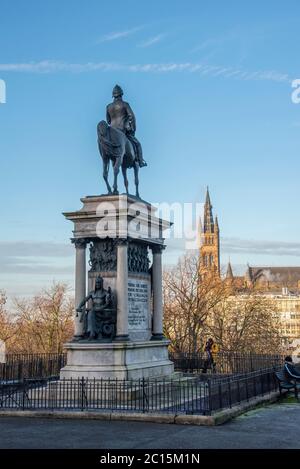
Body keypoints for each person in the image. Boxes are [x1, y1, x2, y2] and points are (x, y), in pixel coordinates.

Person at [106, 84, 147, 168]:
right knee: (138, 144)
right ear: (121, 94)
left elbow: (108, 121)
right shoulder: (125, 105)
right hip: (122, 131)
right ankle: (140, 161)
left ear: (113, 96)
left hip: (112, 132)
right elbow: (132, 117)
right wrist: (132, 129)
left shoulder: (108, 107)